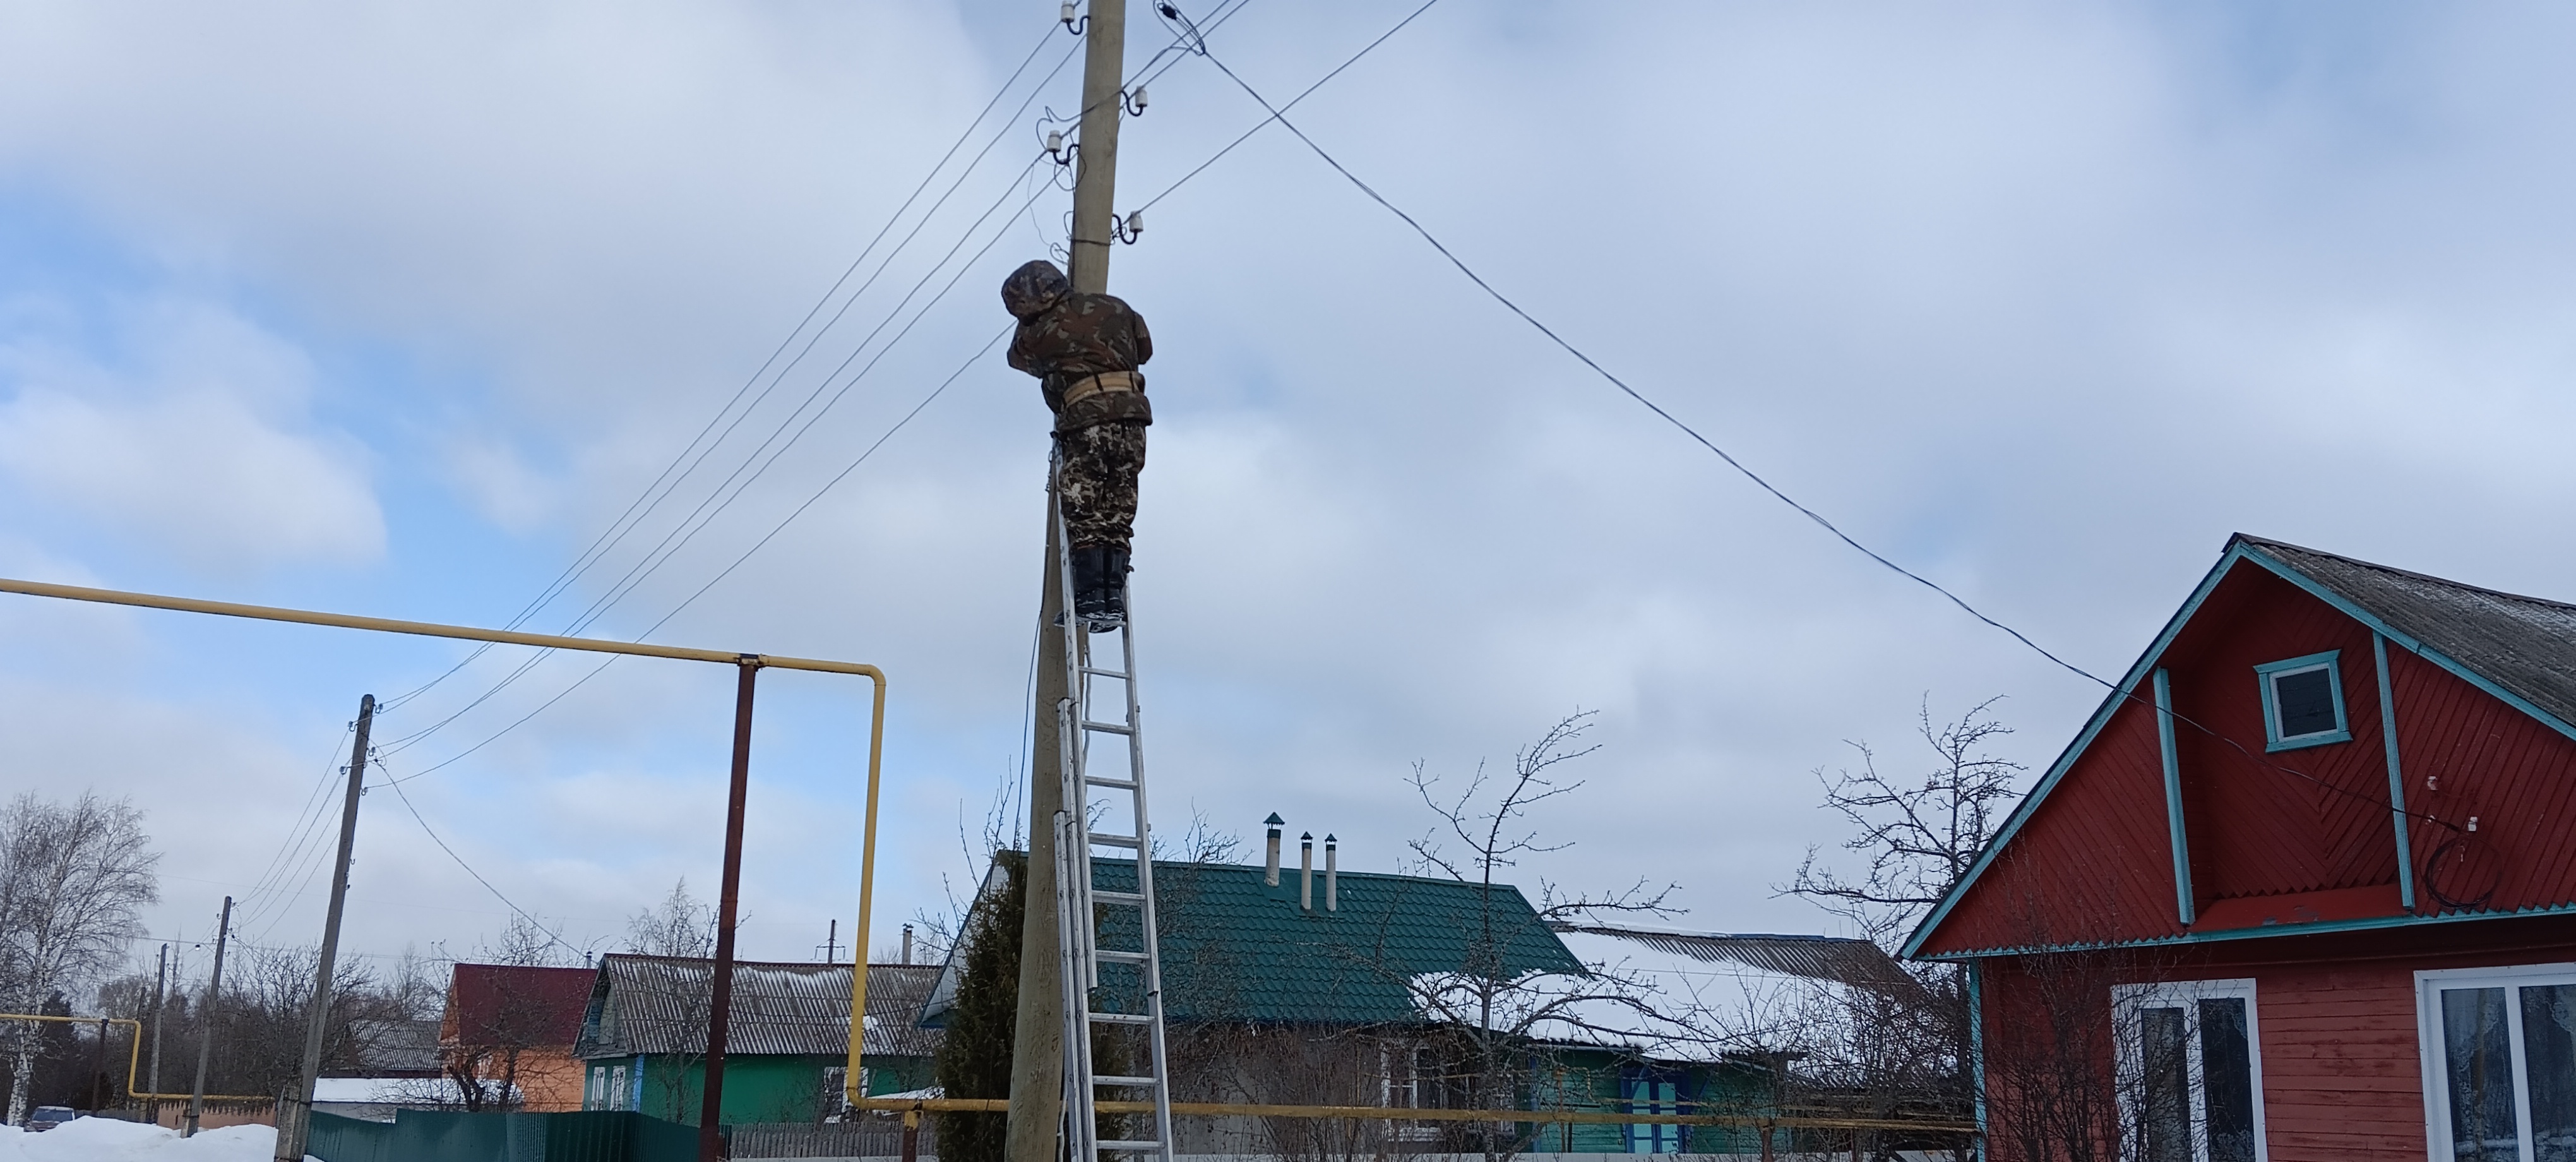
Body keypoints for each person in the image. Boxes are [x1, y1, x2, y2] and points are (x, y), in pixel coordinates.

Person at [1003, 259, 1154, 630]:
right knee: (1118, 507)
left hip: (1087, 420)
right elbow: (1145, 350)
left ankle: (1090, 601)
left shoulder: (1039, 333)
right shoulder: (1118, 307)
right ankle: (1112, 599)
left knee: (1085, 508)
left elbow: (1019, 360)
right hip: (1132, 419)